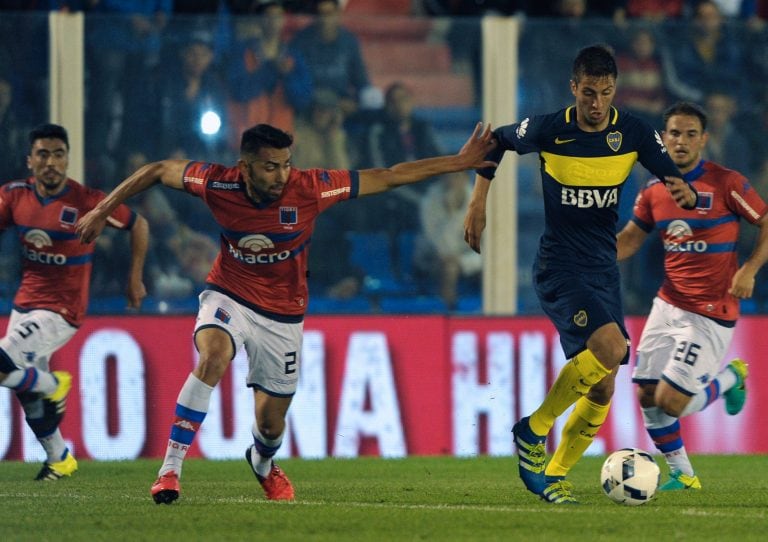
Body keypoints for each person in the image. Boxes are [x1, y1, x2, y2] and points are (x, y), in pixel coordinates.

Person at [75, 121, 497, 504]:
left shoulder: (310, 187)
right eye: (270, 167)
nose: (280, 176)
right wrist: (102, 208)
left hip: (283, 315)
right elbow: (156, 169)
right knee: (214, 355)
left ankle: (261, 462)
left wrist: (458, 163)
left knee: (271, 425)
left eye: (285, 165)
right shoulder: (216, 184)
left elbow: (388, 176)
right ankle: (170, 469)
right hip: (229, 294)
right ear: (244, 167)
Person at [463, 44, 698, 504]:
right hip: (560, 264)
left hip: (603, 268)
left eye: (605, 93)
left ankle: (554, 475)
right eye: (588, 93)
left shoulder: (632, 131)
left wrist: (682, 189)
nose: (596, 104)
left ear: (615, 91)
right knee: (613, 348)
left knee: (606, 380)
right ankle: (532, 430)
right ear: (574, 88)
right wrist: (477, 204)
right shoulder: (551, 128)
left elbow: (670, 172)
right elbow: (495, 143)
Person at [616, 101, 768, 490]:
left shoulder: (726, 182)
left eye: (689, 134)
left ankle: (731, 379)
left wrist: (749, 268)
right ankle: (684, 475)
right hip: (668, 304)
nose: (680, 142)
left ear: (704, 139)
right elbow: (631, 239)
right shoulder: (653, 189)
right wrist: (588, 255)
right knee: (647, 396)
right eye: (673, 134)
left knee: (670, 401)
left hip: (711, 311)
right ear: (663, 140)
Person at [0, 123, 148, 480]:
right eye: (43, 154)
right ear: (30, 160)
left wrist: (134, 277)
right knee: (25, 388)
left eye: (58, 154)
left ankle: (56, 385)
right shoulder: (15, 197)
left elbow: (138, 224)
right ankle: (59, 458)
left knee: (6, 363)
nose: (51, 162)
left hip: (62, 310)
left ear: (67, 159)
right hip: (25, 305)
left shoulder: (88, 202)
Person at [414, 171, 482, 310]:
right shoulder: (430, 201)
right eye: (448, 176)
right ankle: (448, 311)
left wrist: (463, 261)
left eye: (457, 176)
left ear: (465, 179)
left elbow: (489, 248)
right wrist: (454, 212)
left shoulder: (480, 201)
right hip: (433, 258)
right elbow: (440, 246)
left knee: (494, 268)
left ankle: (487, 313)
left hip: (471, 258)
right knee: (449, 267)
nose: (452, 181)